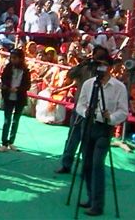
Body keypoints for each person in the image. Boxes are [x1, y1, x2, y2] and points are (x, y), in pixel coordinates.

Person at [75, 57, 128, 217]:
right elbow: (80, 104)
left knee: (97, 164)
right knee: (87, 164)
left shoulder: (119, 87)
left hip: (104, 128)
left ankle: (98, 204)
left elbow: (123, 112)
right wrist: (85, 112)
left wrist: (110, 117)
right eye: (99, 65)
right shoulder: (89, 84)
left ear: (110, 68)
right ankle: (91, 197)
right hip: (88, 125)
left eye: (104, 65)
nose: (101, 68)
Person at [56, 45, 111, 174]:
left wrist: (103, 67)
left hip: (96, 111)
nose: (98, 59)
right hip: (80, 108)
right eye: (97, 56)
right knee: (72, 138)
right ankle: (66, 164)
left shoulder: (105, 71)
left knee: (89, 141)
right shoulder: (84, 68)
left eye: (101, 57)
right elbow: (70, 74)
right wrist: (82, 64)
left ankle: (87, 168)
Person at [0, 48, 31, 150]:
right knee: (6, 120)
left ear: (20, 58)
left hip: (20, 98)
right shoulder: (8, 68)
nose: (12, 60)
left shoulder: (26, 71)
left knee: (15, 120)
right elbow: (3, 79)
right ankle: (4, 143)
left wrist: (17, 89)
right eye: (11, 57)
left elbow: (27, 85)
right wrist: (8, 88)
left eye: (15, 58)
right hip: (8, 96)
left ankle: (11, 142)